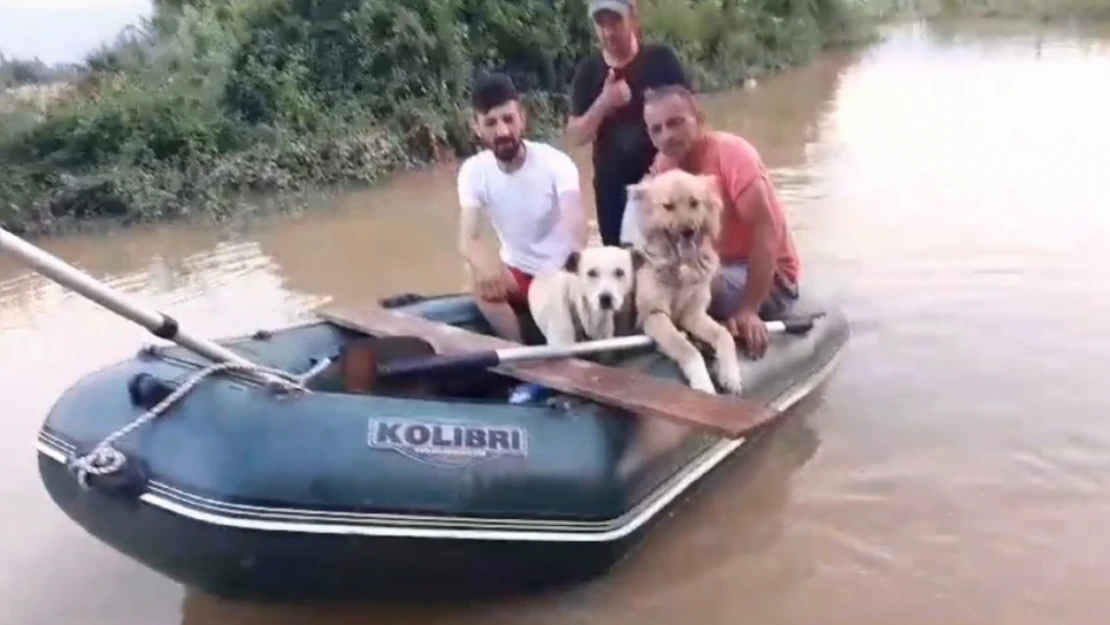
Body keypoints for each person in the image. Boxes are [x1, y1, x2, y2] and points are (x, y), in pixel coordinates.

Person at [633, 84, 802, 360]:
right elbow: (648, 228)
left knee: (687, 287)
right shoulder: (664, 166)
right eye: (657, 129)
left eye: (676, 123)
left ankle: (694, 338)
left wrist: (749, 309)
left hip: (769, 276)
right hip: (712, 263)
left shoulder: (733, 155)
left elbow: (766, 231)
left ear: (699, 120)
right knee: (645, 279)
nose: (667, 136)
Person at [457, 73, 589, 343]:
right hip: (516, 274)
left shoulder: (556, 163)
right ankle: (517, 352)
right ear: (477, 127)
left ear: (522, 118)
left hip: (558, 276)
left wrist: (561, 274)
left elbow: (575, 226)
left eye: (508, 119)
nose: (503, 131)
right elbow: (468, 237)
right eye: (491, 123)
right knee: (475, 276)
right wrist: (484, 265)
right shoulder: (473, 171)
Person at [566, 0, 691, 247]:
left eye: (615, 21)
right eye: (600, 23)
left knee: (674, 264)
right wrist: (604, 102)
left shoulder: (661, 60)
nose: (608, 31)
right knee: (621, 270)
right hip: (613, 195)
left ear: (633, 17)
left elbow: (692, 119)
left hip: (665, 186)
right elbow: (575, 137)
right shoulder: (588, 72)